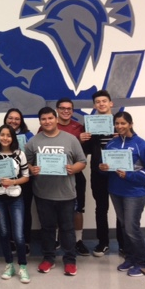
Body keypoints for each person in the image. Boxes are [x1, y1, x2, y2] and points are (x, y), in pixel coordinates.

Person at [25, 107, 86, 276]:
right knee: (47, 228)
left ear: (56, 119)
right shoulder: (34, 142)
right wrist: (32, 169)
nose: (47, 121)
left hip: (66, 193)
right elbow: (25, 164)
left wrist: (73, 168)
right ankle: (48, 258)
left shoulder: (71, 139)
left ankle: (70, 260)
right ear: (40, 122)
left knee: (67, 228)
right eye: (43, 119)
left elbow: (82, 161)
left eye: (50, 118)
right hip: (43, 193)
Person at [100, 111, 145, 277]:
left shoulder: (141, 144)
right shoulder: (111, 144)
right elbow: (108, 170)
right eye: (117, 124)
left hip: (135, 193)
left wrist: (129, 175)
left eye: (123, 123)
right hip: (116, 192)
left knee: (132, 228)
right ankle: (130, 258)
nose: (119, 126)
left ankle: (143, 263)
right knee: (125, 227)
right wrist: (103, 169)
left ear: (130, 124)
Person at [0, 125, 30, 283]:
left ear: (13, 138)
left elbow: (26, 176)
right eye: (2, 135)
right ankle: (9, 265)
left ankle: (23, 267)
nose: (5, 138)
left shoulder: (20, 154)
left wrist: (13, 181)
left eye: (8, 135)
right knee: (3, 233)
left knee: (18, 235)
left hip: (15, 198)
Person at [83, 90, 124, 257]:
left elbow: (130, 143)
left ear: (111, 103)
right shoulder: (90, 124)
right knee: (101, 208)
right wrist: (84, 139)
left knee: (121, 209)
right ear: (94, 105)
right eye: (98, 102)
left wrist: (120, 136)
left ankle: (123, 244)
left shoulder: (120, 122)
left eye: (104, 101)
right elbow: (85, 151)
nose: (101, 104)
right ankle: (103, 242)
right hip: (98, 171)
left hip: (118, 172)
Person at [54, 98, 90, 256]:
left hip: (75, 174)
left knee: (77, 209)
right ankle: (55, 238)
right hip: (53, 175)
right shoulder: (48, 125)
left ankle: (78, 241)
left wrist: (81, 142)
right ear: (57, 109)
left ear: (72, 110)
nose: (66, 111)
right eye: (62, 108)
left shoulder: (79, 127)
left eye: (69, 108)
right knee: (53, 208)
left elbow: (86, 154)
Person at [3, 108, 34, 254]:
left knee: (25, 211)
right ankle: (11, 241)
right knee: (8, 210)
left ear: (21, 121)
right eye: (10, 118)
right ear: (6, 119)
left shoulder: (29, 136)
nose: (13, 121)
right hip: (6, 179)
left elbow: (35, 155)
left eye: (17, 118)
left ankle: (25, 241)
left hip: (24, 179)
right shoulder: (2, 135)